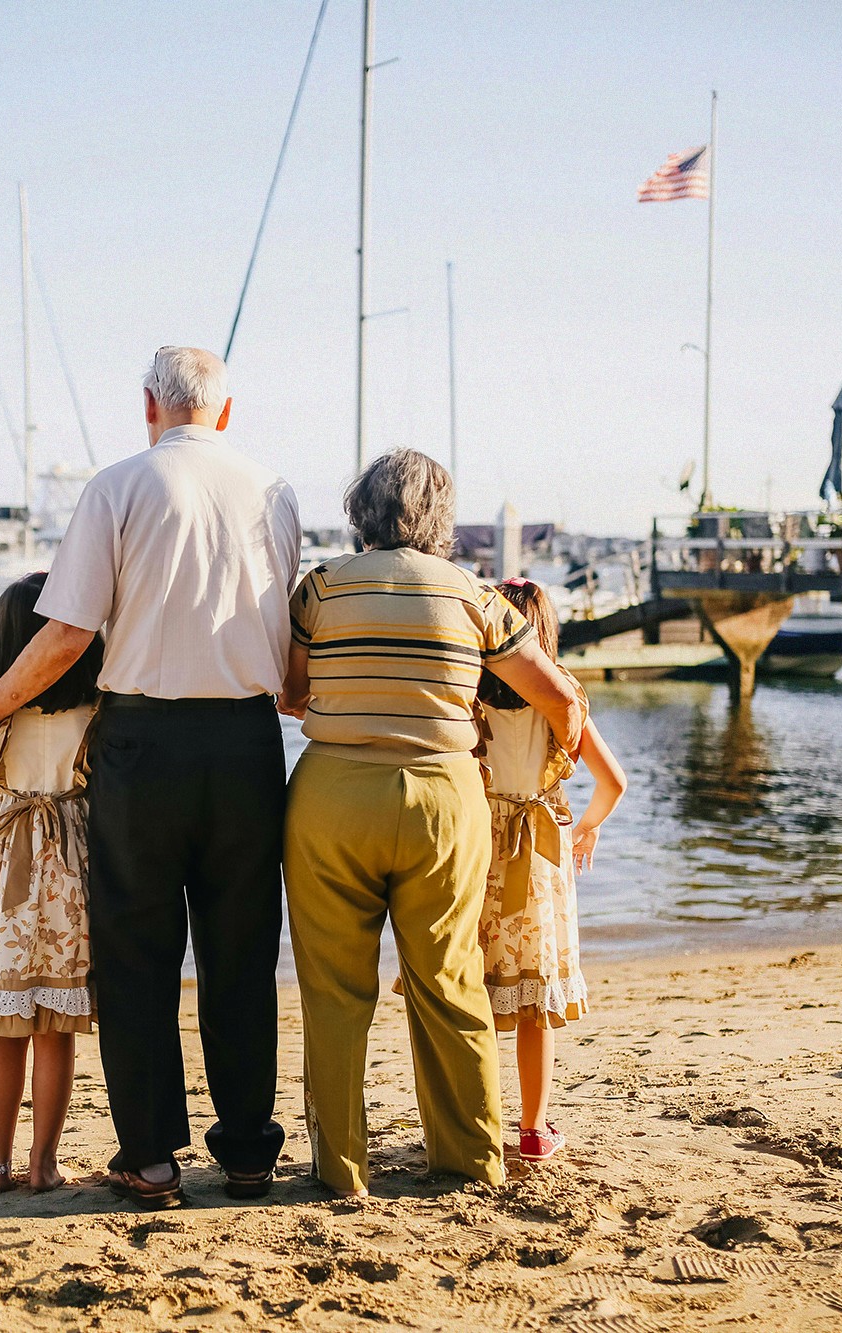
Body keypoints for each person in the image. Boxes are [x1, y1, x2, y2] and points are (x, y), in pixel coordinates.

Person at [0, 347, 299, 1209]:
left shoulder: (116, 486)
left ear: (149, 403)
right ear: (226, 409)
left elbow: (66, 635)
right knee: (241, 951)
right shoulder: (276, 491)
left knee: (140, 957)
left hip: (141, 742)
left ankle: (149, 1159)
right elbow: (289, 653)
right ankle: (250, 1153)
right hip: (249, 742)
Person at [279, 449, 587, 1199]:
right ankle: (468, 1159)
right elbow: (562, 701)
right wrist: (555, 771)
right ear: (441, 519)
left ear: (363, 510)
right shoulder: (476, 597)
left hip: (332, 798)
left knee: (334, 991)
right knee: (450, 983)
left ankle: (341, 1166)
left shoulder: (318, 588)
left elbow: (289, 693)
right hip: (445, 804)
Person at [0, 571, 105, 1193]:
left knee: (6, 1031)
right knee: (56, 1029)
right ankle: (45, 1166)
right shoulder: (97, 708)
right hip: (71, 870)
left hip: (5, 871)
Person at [473, 576, 625, 1164]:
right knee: (535, 1007)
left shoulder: (470, 698)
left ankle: (476, 1123)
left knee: (476, 995)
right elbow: (614, 782)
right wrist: (586, 828)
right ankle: (534, 1131)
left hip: (481, 848)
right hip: (540, 856)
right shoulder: (564, 701)